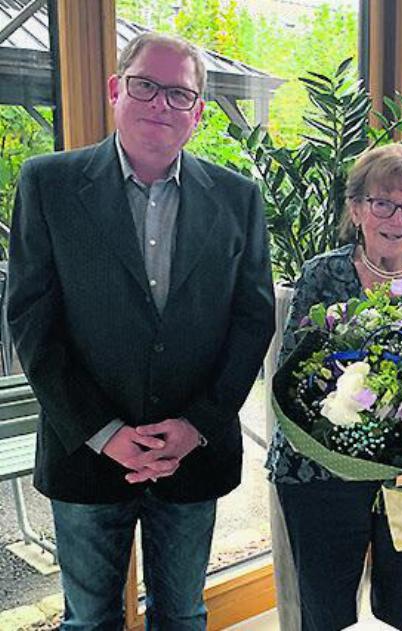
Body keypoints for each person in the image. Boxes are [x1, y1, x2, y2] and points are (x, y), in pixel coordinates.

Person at [8, 32, 274, 629]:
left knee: (182, 615)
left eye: (180, 94)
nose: (161, 104)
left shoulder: (238, 199)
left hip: (192, 455)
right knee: (89, 620)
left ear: (199, 112)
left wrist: (197, 426)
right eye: (145, 86)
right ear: (115, 90)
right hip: (85, 450)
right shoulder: (48, 184)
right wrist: (104, 434)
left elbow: (253, 321)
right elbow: (31, 322)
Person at [266, 143, 402, 631]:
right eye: (383, 203)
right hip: (322, 474)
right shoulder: (322, 275)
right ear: (356, 209)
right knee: (326, 609)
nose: (397, 218)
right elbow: (296, 377)